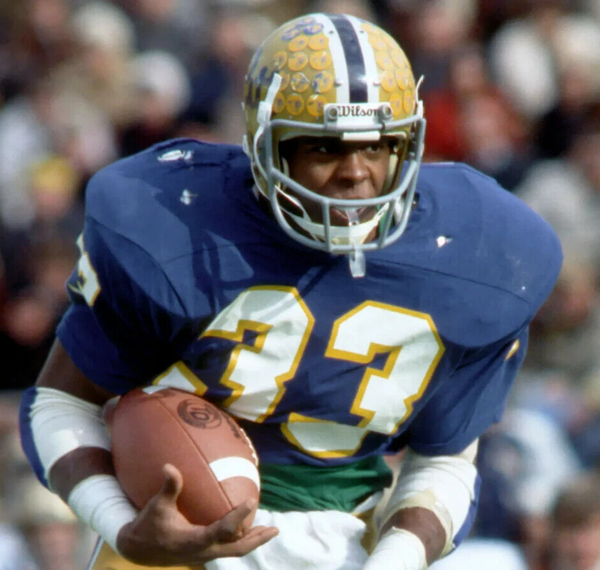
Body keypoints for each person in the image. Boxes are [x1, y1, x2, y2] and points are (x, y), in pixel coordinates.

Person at [18, 12, 562, 570]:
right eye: (324, 149)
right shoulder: (175, 227)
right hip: (175, 532)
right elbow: (61, 402)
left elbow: (445, 459)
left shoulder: (480, 251)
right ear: (265, 146)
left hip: (348, 537)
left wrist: (396, 559)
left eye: (377, 146)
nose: (356, 173)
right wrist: (122, 525)